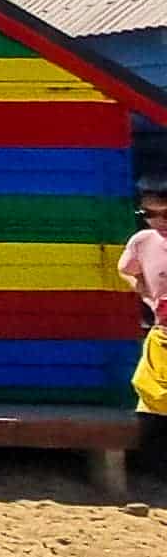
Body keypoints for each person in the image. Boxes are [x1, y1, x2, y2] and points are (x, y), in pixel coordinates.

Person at [123, 190, 167, 450]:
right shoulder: (142, 241)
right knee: (151, 396)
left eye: (166, 214)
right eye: (148, 214)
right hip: (162, 333)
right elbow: (125, 268)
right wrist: (146, 293)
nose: (159, 221)